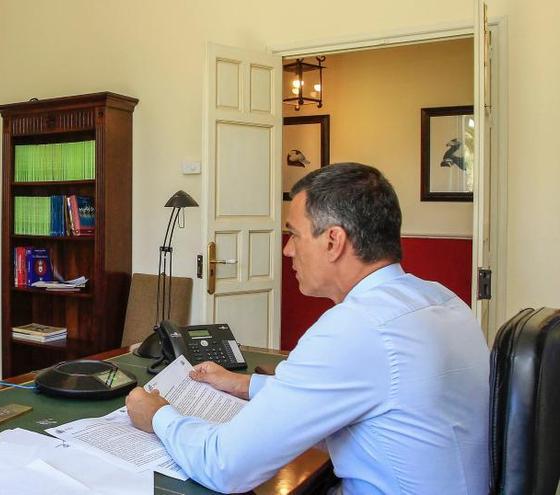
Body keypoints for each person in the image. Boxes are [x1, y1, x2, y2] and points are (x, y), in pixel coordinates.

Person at [125, 163, 489, 494]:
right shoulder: (442, 300)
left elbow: (225, 466)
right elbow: (358, 392)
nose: (286, 250)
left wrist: (157, 415)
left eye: (294, 235)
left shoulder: (356, 328)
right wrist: (245, 384)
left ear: (333, 241)